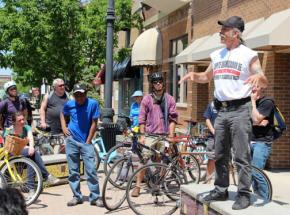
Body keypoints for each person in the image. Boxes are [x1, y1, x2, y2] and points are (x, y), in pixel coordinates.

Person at [179, 16, 268, 210]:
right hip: (221, 110)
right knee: (219, 153)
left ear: (236, 33)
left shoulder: (248, 54)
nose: (221, 32)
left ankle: (244, 193)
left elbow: (262, 78)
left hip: (240, 109)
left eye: (225, 29)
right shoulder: (217, 55)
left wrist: (258, 77)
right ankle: (221, 189)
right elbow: (206, 76)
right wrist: (194, 76)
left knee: (241, 155)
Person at [131, 72, 178, 197]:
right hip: (150, 134)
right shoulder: (147, 99)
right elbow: (142, 118)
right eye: (155, 82)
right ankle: (138, 186)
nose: (158, 84)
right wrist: (142, 136)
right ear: (152, 84)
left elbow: (173, 119)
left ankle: (159, 183)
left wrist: (171, 135)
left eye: (160, 81)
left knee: (163, 160)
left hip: (164, 135)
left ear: (163, 83)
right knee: (144, 159)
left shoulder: (169, 99)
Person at [60, 83, 103, 207]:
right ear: (74, 95)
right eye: (77, 95)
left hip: (86, 142)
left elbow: (95, 123)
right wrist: (63, 127)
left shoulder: (93, 104)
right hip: (72, 140)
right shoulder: (70, 104)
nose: (79, 98)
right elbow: (62, 113)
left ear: (86, 94)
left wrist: (89, 140)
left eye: (82, 95)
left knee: (91, 170)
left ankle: (95, 197)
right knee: (73, 170)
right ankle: (77, 196)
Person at [3, 111, 60, 197]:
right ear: (14, 122)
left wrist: (31, 147)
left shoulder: (27, 127)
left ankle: (32, 189)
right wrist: (27, 148)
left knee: (31, 157)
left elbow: (31, 139)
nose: (22, 122)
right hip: (12, 154)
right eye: (19, 120)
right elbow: (7, 146)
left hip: (24, 155)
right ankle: (46, 176)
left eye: (23, 119)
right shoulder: (9, 130)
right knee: (32, 154)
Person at [250, 88, 274, 200]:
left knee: (256, 171)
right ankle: (257, 196)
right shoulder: (247, 101)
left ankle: (266, 199)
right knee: (248, 172)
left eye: (255, 86)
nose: (252, 89)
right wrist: (257, 121)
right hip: (250, 140)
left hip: (262, 142)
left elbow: (256, 119)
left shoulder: (267, 102)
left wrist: (253, 103)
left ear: (261, 88)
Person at [203, 101, 218, 182]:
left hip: (226, 136)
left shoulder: (229, 102)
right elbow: (207, 118)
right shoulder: (212, 104)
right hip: (213, 136)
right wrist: (213, 131)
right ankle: (208, 180)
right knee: (211, 158)